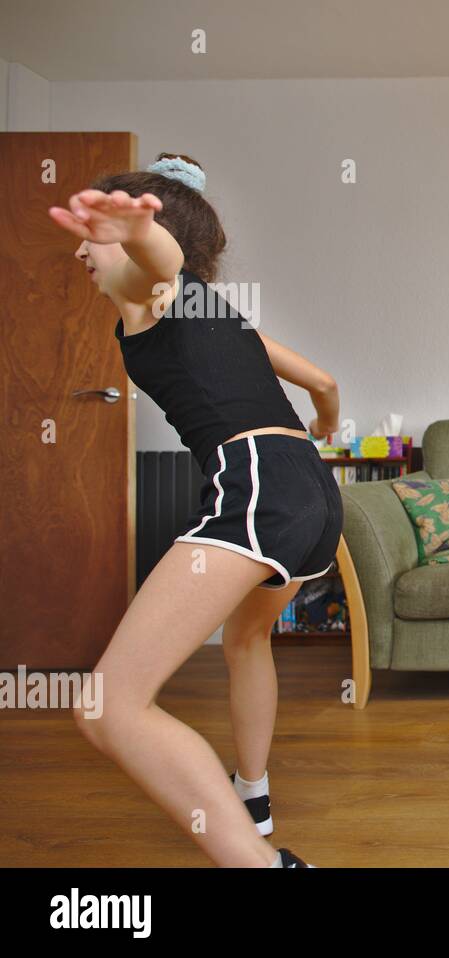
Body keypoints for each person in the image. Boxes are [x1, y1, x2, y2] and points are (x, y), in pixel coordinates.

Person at [49, 154, 343, 867]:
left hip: (257, 486)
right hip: (312, 491)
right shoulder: (222, 314)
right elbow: (325, 382)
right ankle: (253, 793)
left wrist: (138, 230)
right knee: (248, 642)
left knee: (106, 707)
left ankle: (262, 865)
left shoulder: (151, 290)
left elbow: (160, 260)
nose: (83, 246)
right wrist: (326, 425)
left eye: (97, 233)